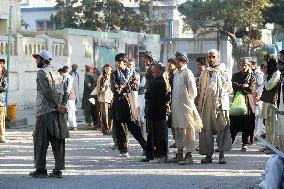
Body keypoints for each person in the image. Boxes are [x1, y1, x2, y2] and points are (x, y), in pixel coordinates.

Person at [29, 50, 69, 178]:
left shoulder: (41, 73)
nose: (36, 60)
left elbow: (46, 91)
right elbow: (65, 92)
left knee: (40, 140)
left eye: (38, 58)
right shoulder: (58, 73)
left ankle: (40, 169)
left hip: (45, 111)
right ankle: (58, 170)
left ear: (44, 60)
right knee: (58, 141)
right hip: (58, 112)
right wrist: (62, 105)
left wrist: (57, 105)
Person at [198, 49, 232, 164]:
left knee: (222, 128)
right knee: (206, 129)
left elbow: (229, 87)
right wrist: (200, 104)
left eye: (213, 57)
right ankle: (208, 155)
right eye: (209, 57)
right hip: (207, 104)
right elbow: (200, 89)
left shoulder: (223, 70)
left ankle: (222, 155)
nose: (211, 59)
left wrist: (220, 96)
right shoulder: (205, 71)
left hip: (221, 104)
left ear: (218, 57)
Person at [111, 53, 147, 157]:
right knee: (120, 128)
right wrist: (125, 86)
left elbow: (135, 87)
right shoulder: (114, 74)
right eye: (116, 61)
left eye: (119, 62)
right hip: (118, 104)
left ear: (125, 62)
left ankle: (145, 147)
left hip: (130, 104)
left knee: (135, 128)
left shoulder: (133, 73)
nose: (117, 64)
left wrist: (122, 86)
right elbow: (115, 89)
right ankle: (123, 150)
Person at [168, 52, 200, 165]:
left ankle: (189, 155)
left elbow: (193, 92)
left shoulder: (188, 73)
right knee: (178, 130)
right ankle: (179, 154)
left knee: (188, 131)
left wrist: (187, 101)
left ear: (183, 61)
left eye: (177, 59)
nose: (175, 61)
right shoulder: (176, 73)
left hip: (186, 107)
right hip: (176, 108)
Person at [230, 58, 256, 151]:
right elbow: (233, 85)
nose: (244, 67)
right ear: (239, 66)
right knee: (234, 122)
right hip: (237, 101)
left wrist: (239, 86)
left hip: (248, 102)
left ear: (249, 66)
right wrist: (242, 86)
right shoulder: (236, 75)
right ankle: (230, 141)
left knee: (247, 124)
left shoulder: (252, 76)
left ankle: (244, 143)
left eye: (246, 65)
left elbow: (251, 89)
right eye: (242, 65)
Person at [145, 62, 169, 163]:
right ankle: (155, 155)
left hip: (158, 112)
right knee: (154, 134)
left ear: (158, 69)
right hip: (154, 111)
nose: (151, 69)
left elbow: (149, 94)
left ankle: (161, 155)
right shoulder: (156, 79)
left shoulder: (160, 81)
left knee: (159, 134)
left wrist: (148, 93)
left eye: (153, 68)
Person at [260, 54, 281, 154]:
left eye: (268, 61)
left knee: (273, 126)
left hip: (273, 103)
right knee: (267, 126)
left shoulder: (276, 73)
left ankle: (274, 147)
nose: (267, 64)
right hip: (266, 102)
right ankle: (268, 145)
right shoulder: (270, 73)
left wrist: (264, 75)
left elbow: (269, 86)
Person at [96, 64, 113, 135]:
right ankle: (105, 129)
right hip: (104, 98)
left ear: (111, 69)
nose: (107, 70)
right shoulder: (101, 77)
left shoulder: (113, 77)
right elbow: (98, 89)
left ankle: (111, 129)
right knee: (104, 115)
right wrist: (98, 97)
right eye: (105, 68)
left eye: (108, 68)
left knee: (111, 114)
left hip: (111, 98)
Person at [82, 65, 98, 129]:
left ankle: (89, 124)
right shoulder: (95, 75)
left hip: (89, 96)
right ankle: (96, 123)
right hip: (94, 96)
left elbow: (89, 85)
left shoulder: (87, 75)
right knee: (94, 110)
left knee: (88, 110)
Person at [62, 66, 77, 131]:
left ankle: (68, 125)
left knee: (67, 111)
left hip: (66, 95)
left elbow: (68, 87)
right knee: (71, 111)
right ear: (68, 70)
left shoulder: (62, 76)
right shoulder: (69, 76)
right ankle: (73, 125)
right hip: (70, 96)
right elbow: (70, 86)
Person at [167, 58, 177, 149]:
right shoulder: (170, 75)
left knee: (177, 123)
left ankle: (179, 141)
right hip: (171, 101)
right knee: (173, 123)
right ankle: (176, 141)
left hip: (176, 101)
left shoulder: (176, 75)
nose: (169, 67)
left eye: (170, 65)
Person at [0, 58, 7, 143]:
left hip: (0, 102)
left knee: (1, 120)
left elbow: (4, 87)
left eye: (1, 63)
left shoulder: (4, 75)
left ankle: (1, 136)